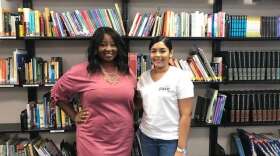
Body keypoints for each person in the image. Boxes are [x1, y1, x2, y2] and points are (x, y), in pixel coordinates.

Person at [51, 27, 136, 156]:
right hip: (92, 141)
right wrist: (74, 115)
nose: (109, 49)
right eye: (103, 45)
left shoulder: (128, 72)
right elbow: (57, 93)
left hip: (122, 140)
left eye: (113, 45)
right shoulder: (82, 71)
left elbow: (132, 102)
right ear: (95, 48)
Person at [136, 36, 194, 156]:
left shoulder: (181, 77)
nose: (158, 55)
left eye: (162, 51)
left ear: (171, 53)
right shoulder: (143, 77)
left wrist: (180, 149)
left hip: (170, 140)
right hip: (146, 136)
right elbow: (140, 105)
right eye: (153, 51)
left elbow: (186, 115)